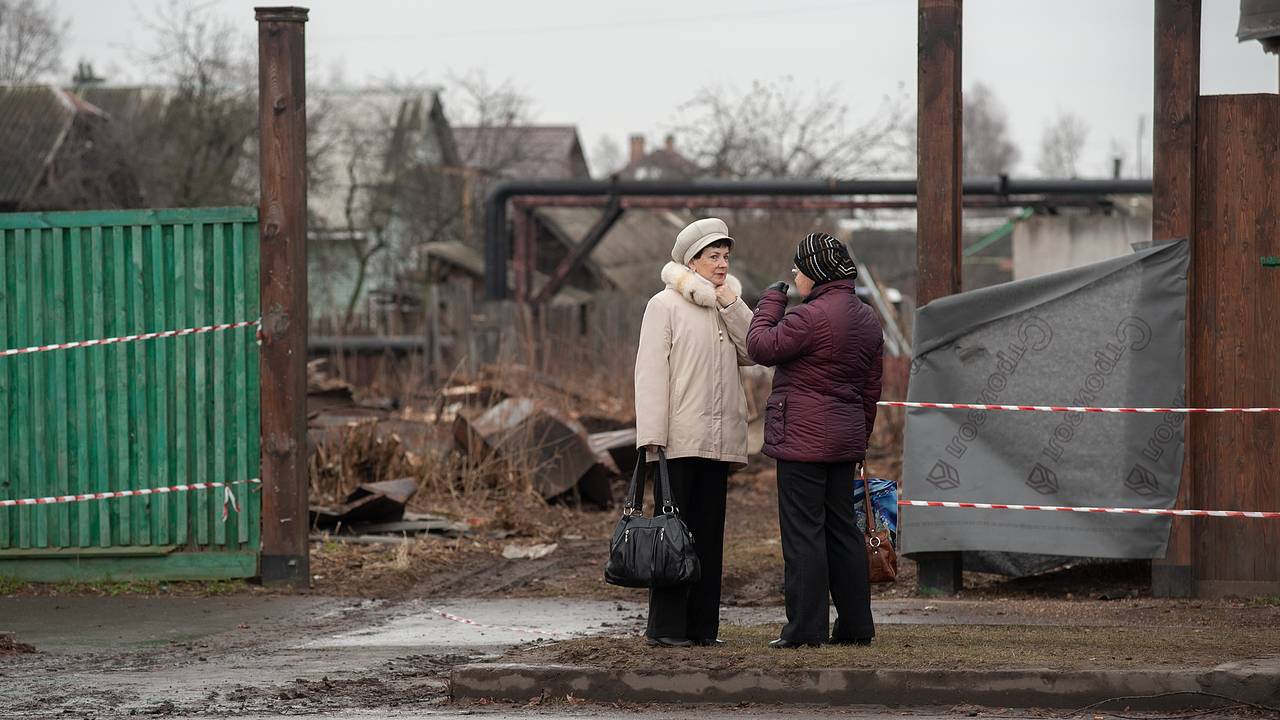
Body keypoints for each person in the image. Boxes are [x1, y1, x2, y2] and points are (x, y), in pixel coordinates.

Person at [746, 232, 883, 648]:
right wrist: (860, 438)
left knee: (804, 532)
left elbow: (760, 346)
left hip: (802, 440)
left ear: (815, 271)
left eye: (798, 269)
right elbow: (871, 388)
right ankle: (857, 626)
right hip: (844, 439)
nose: (794, 276)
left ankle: (805, 630)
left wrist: (772, 300)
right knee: (842, 530)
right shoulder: (867, 318)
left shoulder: (808, 318)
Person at [634, 217, 754, 648]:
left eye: (725, 256)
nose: (722, 264)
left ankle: (704, 629)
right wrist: (652, 438)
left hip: (719, 441)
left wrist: (730, 303)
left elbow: (754, 350)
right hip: (678, 441)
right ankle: (666, 628)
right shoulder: (663, 306)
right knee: (671, 537)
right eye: (713, 257)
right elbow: (649, 374)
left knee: (709, 536)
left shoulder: (725, 304)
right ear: (692, 261)